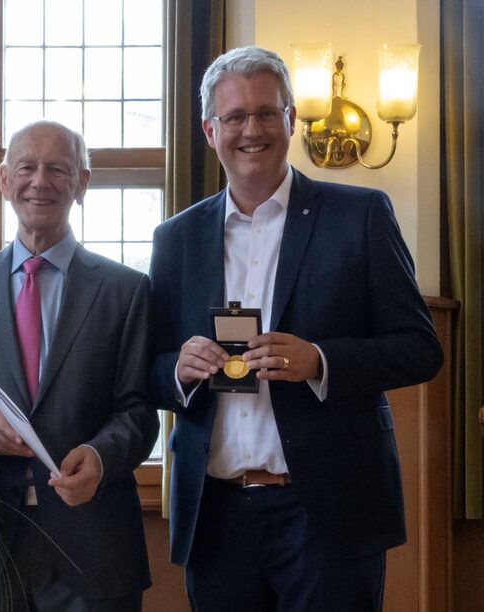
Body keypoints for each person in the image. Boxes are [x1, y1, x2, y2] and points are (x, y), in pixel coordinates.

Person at [147, 46, 443, 611]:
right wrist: (178, 371)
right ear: (211, 131)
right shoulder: (176, 238)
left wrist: (321, 361)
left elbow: (420, 349)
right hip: (216, 515)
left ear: (290, 120)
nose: (251, 130)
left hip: (328, 513)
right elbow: (149, 367)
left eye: (266, 112)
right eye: (234, 117)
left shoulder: (360, 215)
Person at [0, 120, 159, 611]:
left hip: (94, 541)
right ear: (5, 180)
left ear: (83, 183)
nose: (40, 181)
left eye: (58, 168)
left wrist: (99, 457)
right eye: (27, 167)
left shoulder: (126, 291)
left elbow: (138, 410)